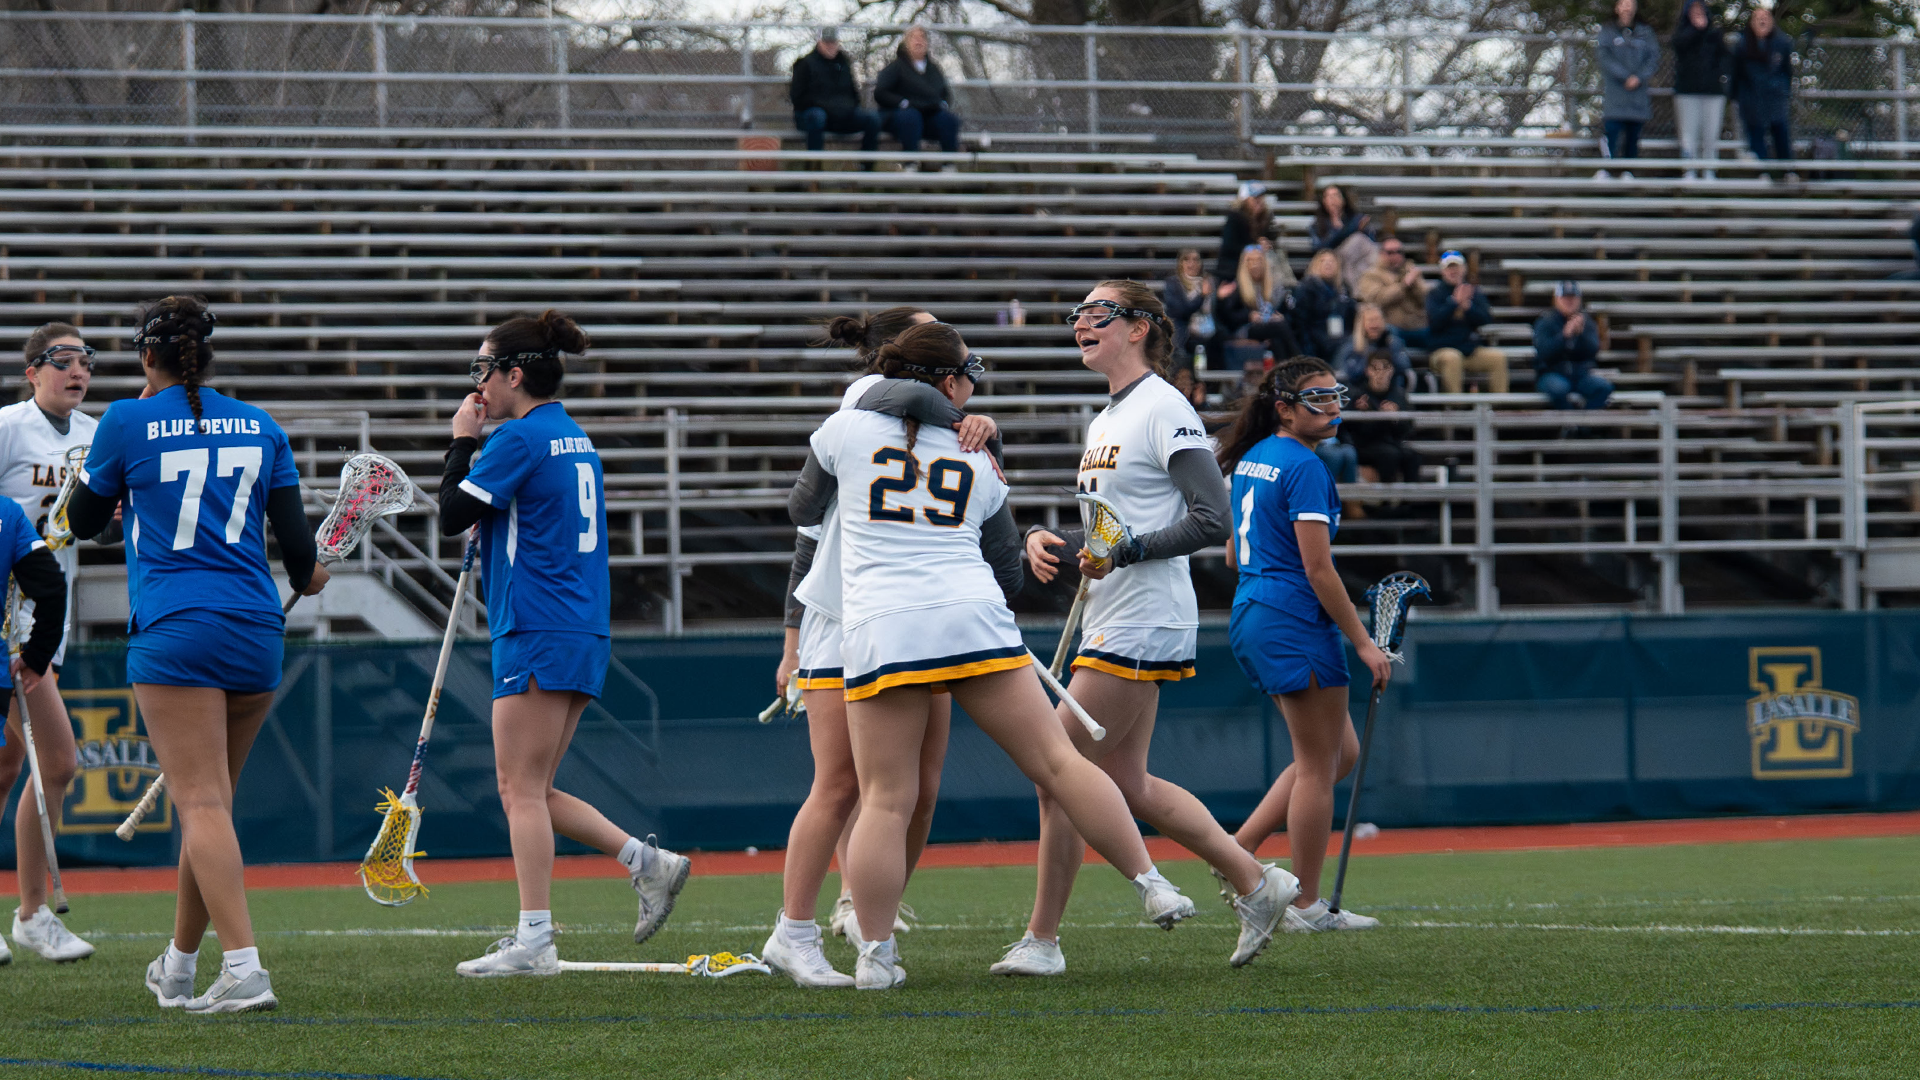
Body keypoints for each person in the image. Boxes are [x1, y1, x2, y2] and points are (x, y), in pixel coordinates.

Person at [789, 321, 1196, 990]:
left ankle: (875, 955)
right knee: (1060, 763)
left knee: (888, 800)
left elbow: (802, 507)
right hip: (972, 619)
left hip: (883, 627)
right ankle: (1150, 882)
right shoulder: (976, 457)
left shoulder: (844, 428)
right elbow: (1007, 570)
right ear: (950, 382)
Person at [1004, 283, 1300, 977]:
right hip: (1118, 610)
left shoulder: (1163, 406)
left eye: (1097, 312)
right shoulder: (1107, 417)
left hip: (1143, 614)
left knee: (1056, 767)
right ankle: (1256, 882)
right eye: (1076, 314)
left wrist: (1123, 551)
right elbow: (1117, 526)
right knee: (1125, 784)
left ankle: (1043, 940)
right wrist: (1063, 539)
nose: (1081, 322)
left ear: (1138, 328)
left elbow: (1210, 518)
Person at [65, 296, 325, 1013]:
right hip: (254, 628)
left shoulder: (124, 421)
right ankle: (179, 967)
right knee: (211, 806)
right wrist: (312, 576)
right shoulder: (262, 424)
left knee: (202, 804)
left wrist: (117, 486)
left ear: (148, 355)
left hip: (178, 627)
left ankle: (243, 968)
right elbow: (300, 558)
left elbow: (82, 523)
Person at [436, 311, 691, 978]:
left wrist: (461, 443)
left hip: (538, 624)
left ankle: (535, 939)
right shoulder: (571, 435)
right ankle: (647, 863)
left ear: (514, 374)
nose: (478, 386)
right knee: (535, 787)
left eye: (483, 371)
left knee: (517, 789)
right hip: (576, 625)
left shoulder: (516, 440)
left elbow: (450, 515)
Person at [763, 307, 997, 986]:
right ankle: (797, 931)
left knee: (918, 790)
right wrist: (792, 639)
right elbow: (805, 535)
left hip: (904, 614)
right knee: (841, 783)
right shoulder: (863, 402)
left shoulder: (918, 414)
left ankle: (869, 920)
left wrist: (979, 427)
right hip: (848, 612)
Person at [1217, 357, 1393, 932]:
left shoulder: (1256, 457)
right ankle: (1306, 906)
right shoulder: (1304, 467)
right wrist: (1364, 643)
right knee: (1319, 765)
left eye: (1335, 395)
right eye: (1316, 398)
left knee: (1339, 754)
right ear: (1285, 408)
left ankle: (1235, 850)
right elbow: (1320, 570)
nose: (1333, 406)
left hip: (1254, 609)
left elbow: (1233, 555)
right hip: (1292, 617)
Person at [0, 323, 107, 964]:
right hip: (10, 615)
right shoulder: (9, 425)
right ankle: (34, 911)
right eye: (62, 360)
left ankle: (30, 913)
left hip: (46, 614)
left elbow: (81, 525)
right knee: (55, 761)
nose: (77, 371)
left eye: (85, 360)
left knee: (23, 767)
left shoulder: (96, 436)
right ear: (33, 369)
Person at [790, 27, 881, 158]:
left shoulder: (844, 63)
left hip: (841, 116)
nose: (830, 46)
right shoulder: (805, 64)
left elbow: (853, 93)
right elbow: (797, 98)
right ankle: (814, 167)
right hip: (814, 116)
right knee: (817, 117)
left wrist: (847, 108)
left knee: (872, 119)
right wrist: (827, 106)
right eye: (826, 42)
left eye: (833, 42)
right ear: (819, 42)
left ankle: (866, 166)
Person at [1425, 251, 1508, 394]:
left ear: (1464, 269)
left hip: (1469, 349)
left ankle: (1499, 407)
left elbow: (1485, 319)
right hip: (1441, 350)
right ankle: (1456, 408)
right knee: (1452, 358)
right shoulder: (1434, 294)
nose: (1453, 271)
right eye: (1449, 268)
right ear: (1442, 271)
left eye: (1456, 267)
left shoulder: (1473, 292)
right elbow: (1434, 323)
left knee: (1498, 358)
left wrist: (1468, 308)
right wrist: (1453, 303)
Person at [874, 26, 961, 163]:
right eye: (914, 37)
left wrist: (942, 104)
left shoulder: (934, 69)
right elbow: (881, 92)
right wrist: (903, 103)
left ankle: (949, 165)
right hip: (901, 118)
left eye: (922, 38)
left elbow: (944, 93)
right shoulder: (896, 67)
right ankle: (911, 163)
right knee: (911, 118)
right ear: (906, 43)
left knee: (949, 120)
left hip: (929, 117)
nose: (918, 41)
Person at [1595, 0, 1659, 179]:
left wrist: (1639, 77)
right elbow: (1604, 57)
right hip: (1616, 93)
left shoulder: (1645, 32)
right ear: (1616, 7)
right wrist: (1625, 76)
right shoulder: (1607, 32)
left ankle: (1628, 171)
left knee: (1633, 134)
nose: (1626, 7)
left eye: (1630, 3)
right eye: (1623, 3)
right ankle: (1607, 170)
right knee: (1612, 132)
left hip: (1638, 95)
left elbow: (1653, 58)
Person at [1212, 245, 1300, 371]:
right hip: (1244, 329)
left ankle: (1286, 373)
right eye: (1250, 260)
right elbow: (1228, 317)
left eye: (1258, 260)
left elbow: (1282, 307)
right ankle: (1300, 362)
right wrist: (1249, 315)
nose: (1255, 264)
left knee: (1277, 338)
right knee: (1280, 326)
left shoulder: (1270, 286)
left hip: (1266, 328)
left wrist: (1277, 315)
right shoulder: (1237, 287)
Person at [1342, 352, 1422, 486]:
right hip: (1364, 445)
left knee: (1413, 456)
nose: (1380, 373)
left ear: (1392, 370)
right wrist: (1362, 414)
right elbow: (1350, 429)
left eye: (1385, 367)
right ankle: (1384, 502)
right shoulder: (1358, 395)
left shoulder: (1399, 395)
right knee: (1390, 455)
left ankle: (1409, 503)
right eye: (1375, 368)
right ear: (1367, 371)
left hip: (1391, 443)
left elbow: (1408, 429)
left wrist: (1395, 418)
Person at [1672, 0, 1731, 180]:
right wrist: (1696, 30)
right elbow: (1679, 46)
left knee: (1711, 134)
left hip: (1712, 92)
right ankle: (1689, 170)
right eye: (1693, 10)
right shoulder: (1682, 34)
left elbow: (1726, 60)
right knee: (1688, 134)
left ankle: (1709, 171)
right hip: (1687, 92)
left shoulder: (1715, 35)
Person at [1531, 281, 1612, 411]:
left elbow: (1593, 352)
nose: (1569, 302)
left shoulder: (1587, 323)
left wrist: (1581, 336)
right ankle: (1571, 425)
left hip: (1580, 374)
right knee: (1559, 389)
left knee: (1603, 387)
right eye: (1565, 298)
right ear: (1557, 299)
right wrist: (1564, 336)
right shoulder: (1546, 322)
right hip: (1552, 373)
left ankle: (1583, 427)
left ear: (1579, 300)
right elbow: (1544, 353)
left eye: (1573, 298)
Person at [1730, 8, 1794, 169]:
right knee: (1755, 135)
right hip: (1751, 98)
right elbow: (1736, 74)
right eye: (1757, 18)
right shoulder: (1743, 46)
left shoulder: (1782, 43)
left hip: (1775, 97)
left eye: (1765, 17)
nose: (1762, 21)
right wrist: (1737, 96)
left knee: (1780, 134)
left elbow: (1787, 71)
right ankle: (1762, 171)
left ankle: (1787, 171)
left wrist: (1782, 89)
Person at [1355, 235, 1429, 346]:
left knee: (1440, 336)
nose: (1395, 256)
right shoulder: (1371, 275)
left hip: (1417, 326)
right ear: (1381, 254)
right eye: (1390, 252)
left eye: (1398, 252)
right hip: (1391, 327)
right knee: (1391, 337)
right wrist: (1403, 285)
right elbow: (1377, 300)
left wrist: (1416, 285)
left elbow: (1426, 300)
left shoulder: (1411, 271)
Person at [1162, 249, 1213, 405]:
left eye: (1196, 259)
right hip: (1183, 337)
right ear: (1180, 263)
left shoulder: (1209, 282)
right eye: (1187, 259)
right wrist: (1201, 297)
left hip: (1209, 334)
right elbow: (1181, 310)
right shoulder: (1173, 284)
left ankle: (1204, 395)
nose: (1192, 264)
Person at [1307, 184, 1378, 293]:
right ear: (1324, 201)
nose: (1333, 200)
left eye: (1336, 195)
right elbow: (1319, 249)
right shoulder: (1317, 225)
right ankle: (1357, 294)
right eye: (1328, 196)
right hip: (1334, 259)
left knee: (1360, 242)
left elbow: (1370, 241)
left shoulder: (1355, 218)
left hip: (1358, 260)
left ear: (1343, 199)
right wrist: (1344, 231)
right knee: (1351, 247)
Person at [1286, 249, 1354, 363]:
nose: (1328, 264)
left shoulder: (1343, 289)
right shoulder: (1306, 288)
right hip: (1315, 340)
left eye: (1332, 261)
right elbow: (1300, 321)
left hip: (1338, 337)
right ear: (1315, 265)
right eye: (1323, 261)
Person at [1331, 303, 1412, 386]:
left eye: (1377, 319)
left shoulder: (1393, 342)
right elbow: (1348, 373)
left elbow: (1404, 366)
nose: (1375, 324)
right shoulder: (1351, 346)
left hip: (1390, 391)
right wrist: (1372, 355)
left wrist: (1386, 350)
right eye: (1371, 320)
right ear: (1362, 324)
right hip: (1360, 392)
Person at [1215, 182, 1275, 281]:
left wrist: (1267, 244)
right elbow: (1230, 247)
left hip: (1259, 271)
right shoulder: (1234, 218)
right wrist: (1256, 248)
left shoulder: (1266, 219)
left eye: (1261, 197)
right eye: (1255, 198)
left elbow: (1274, 240)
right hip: (1233, 271)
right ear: (1245, 199)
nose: (1259, 201)